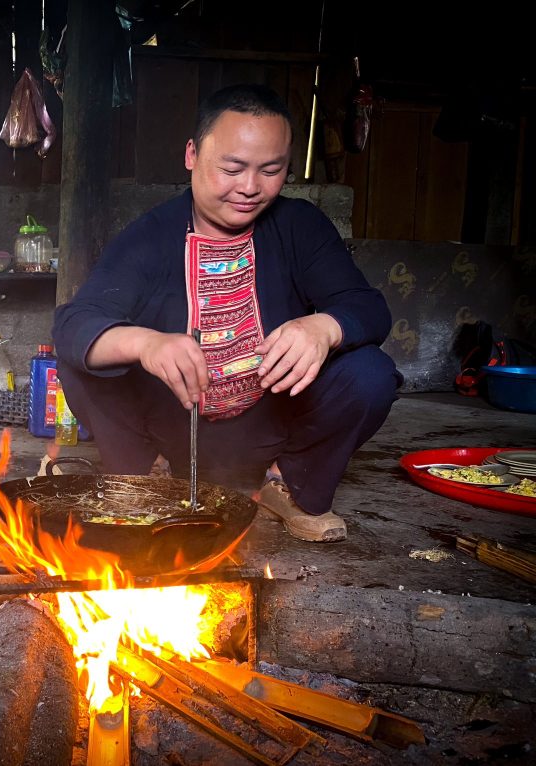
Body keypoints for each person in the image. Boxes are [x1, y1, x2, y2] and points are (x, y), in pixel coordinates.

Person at [51, 83, 401, 543]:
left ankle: (289, 485)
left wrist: (323, 327)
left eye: (271, 170)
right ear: (192, 155)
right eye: (232, 168)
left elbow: (369, 308)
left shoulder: (300, 227)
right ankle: (143, 483)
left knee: (371, 372)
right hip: (171, 428)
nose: (250, 188)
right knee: (86, 358)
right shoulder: (149, 237)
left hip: (269, 423)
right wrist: (147, 343)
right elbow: (75, 324)